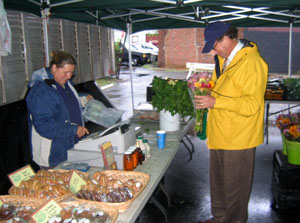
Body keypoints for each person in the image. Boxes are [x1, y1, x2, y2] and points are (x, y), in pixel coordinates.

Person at [195, 22, 268, 223]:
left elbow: (252, 105)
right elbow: (221, 89)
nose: (213, 50)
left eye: (214, 44)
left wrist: (215, 101)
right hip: (219, 133)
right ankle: (219, 219)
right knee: (218, 185)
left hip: (238, 138)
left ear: (227, 38)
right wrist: (206, 92)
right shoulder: (224, 59)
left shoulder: (252, 63)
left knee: (235, 190)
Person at [26, 51, 90, 169]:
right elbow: (45, 126)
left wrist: (83, 98)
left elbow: (64, 102)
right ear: (54, 68)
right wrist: (73, 130)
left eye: (71, 72)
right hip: (54, 155)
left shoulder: (64, 82)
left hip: (71, 147)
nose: (69, 76)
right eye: (66, 72)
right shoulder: (41, 91)